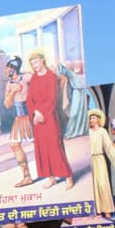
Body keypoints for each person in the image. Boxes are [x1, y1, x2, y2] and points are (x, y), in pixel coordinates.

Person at [25, 50, 74, 189]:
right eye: (32, 63)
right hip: (36, 118)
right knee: (42, 148)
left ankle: (68, 176)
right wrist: (35, 112)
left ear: (42, 60)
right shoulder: (34, 78)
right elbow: (30, 99)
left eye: (36, 62)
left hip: (49, 117)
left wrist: (42, 114)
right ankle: (51, 177)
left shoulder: (51, 77)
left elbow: (52, 99)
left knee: (54, 146)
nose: (34, 65)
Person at [2, 57, 35, 187]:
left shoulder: (27, 77)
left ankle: (55, 172)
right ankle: (27, 176)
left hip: (33, 116)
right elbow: (6, 104)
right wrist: (14, 92)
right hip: (20, 118)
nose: (5, 70)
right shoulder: (9, 84)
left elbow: (42, 85)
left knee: (42, 144)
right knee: (15, 145)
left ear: (14, 68)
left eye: (7, 68)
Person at [86, 108, 115, 219]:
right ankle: (96, 210)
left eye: (94, 118)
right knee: (91, 186)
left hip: (99, 159)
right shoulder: (87, 132)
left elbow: (108, 146)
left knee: (103, 184)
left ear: (98, 120)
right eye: (90, 118)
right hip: (89, 160)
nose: (92, 120)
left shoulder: (102, 131)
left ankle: (107, 210)